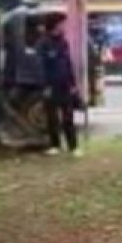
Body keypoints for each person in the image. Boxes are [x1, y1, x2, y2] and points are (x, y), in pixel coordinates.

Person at [37, 14, 81, 157]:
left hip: (65, 85)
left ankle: (73, 146)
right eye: (62, 23)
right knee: (52, 117)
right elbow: (41, 66)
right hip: (51, 85)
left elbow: (68, 64)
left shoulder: (63, 42)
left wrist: (73, 83)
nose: (64, 26)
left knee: (68, 116)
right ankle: (54, 144)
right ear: (55, 25)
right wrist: (45, 86)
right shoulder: (43, 43)